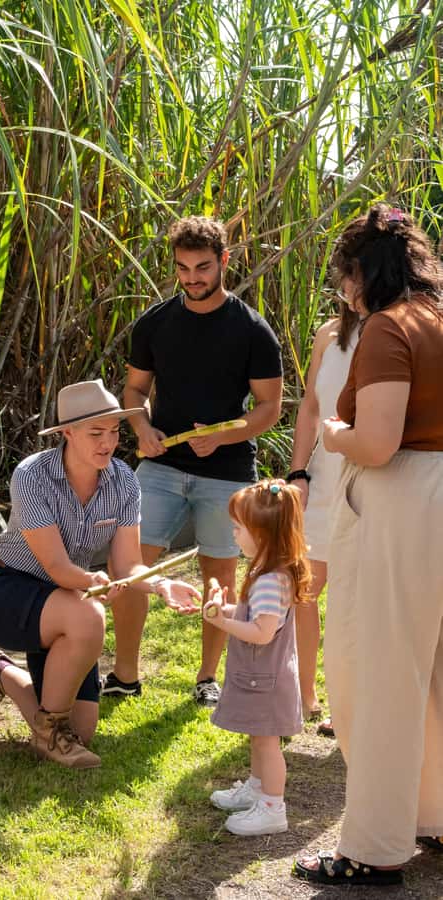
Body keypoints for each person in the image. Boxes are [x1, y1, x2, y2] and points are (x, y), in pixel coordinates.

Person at [294, 204, 443, 886]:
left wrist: (332, 434)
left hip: (403, 505)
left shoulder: (389, 329)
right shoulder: (439, 320)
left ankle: (374, 848)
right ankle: (434, 816)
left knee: (378, 677)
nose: (342, 291)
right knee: (433, 675)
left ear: (366, 271)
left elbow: (378, 444)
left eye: (344, 276)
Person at [0, 380, 202, 769]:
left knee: (82, 731)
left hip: (63, 598)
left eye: (113, 431)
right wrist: (92, 582)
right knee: (89, 614)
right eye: (95, 433)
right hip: (2, 588)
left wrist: (160, 584)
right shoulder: (31, 475)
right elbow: (57, 567)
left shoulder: (124, 479)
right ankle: (49, 736)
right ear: (66, 433)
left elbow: (126, 567)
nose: (107, 442)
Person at [102, 215, 283, 706]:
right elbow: (135, 391)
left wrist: (226, 436)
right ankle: (125, 674)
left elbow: (270, 407)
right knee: (132, 568)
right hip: (160, 467)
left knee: (219, 576)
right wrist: (142, 427)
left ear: (224, 261)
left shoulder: (252, 330)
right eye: (183, 268)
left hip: (226, 471)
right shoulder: (156, 322)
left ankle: (207, 678)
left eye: (202, 267)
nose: (192, 278)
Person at [203, 479, 310, 836]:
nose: (233, 534)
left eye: (238, 528)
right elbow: (259, 618)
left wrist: (222, 622)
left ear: (261, 534)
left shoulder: (267, 580)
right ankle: (257, 786)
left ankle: (272, 807)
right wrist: (226, 609)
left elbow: (262, 633)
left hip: (266, 679)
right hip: (264, 677)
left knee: (267, 741)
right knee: (259, 737)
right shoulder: (270, 572)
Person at [287, 304, 359, 729]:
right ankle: (303, 694)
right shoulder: (327, 334)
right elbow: (311, 407)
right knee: (304, 590)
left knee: (356, 599)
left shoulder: (400, 329)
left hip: (371, 476)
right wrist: (298, 473)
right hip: (322, 478)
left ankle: (345, 705)